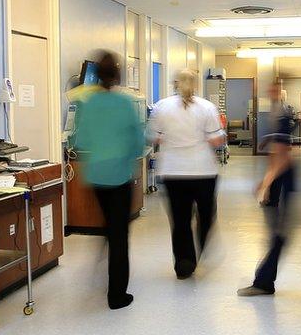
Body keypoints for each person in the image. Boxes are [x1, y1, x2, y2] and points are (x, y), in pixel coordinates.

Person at [72, 51, 144, 309]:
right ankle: (117, 295)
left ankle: (104, 257)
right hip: (118, 175)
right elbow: (137, 142)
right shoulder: (124, 103)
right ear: (117, 75)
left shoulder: (88, 103)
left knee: (110, 225)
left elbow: (79, 140)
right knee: (119, 235)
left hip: (96, 175)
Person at [148, 69, 225, 279]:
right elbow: (216, 141)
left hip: (173, 173)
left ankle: (184, 263)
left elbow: (152, 137)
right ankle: (199, 247)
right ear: (196, 84)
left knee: (180, 220)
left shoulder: (161, 107)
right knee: (206, 216)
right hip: (204, 172)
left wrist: (170, 138)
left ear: (175, 83)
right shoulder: (207, 107)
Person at [238, 81, 296, 296]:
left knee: (280, 235)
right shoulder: (277, 112)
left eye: (273, 89)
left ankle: (264, 282)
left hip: (287, 177)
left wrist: (265, 183)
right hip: (287, 177)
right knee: (282, 234)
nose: (269, 92)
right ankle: (264, 281)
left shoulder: (281, 114)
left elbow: (282, 156)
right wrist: (267, 140)